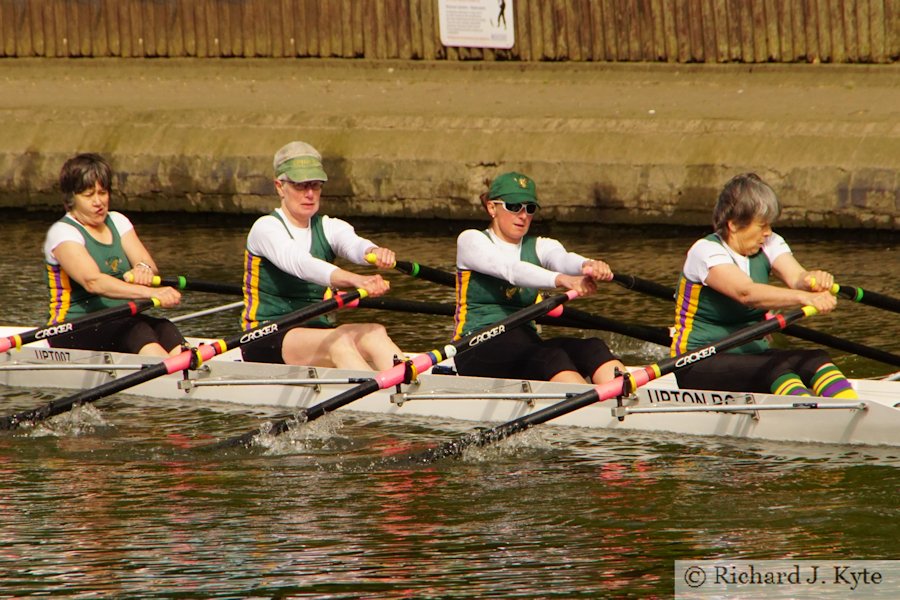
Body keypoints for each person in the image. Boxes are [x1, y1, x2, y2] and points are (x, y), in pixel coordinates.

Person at [670, 172, 857, 399]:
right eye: (762, 225)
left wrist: (812, 280)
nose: (767, 232)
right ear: (734, 225)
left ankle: (852, 408)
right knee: (775, 369)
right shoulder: (705, 251)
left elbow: (797, 277)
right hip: (698, 362)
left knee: (816, 359)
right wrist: (803, 298)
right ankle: (808, 415)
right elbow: (746, 292)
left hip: (752, 356)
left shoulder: (768, 243)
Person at [240, 141, 403, 370]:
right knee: (340, 342)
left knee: (375, 332)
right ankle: (379, 401)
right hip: (266, 335)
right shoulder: (265, 228)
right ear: (279, 186)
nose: (309, 194)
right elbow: (301, 264)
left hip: (316, 333)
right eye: (300, 186)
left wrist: (373, 252)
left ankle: (415, 389)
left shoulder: (329, 226)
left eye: (315, 186)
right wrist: (357, 280)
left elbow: (353, 244)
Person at [453, 171, 625, 384]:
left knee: (593, 347)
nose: (523, 215)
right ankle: (593, 412)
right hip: (476, 347)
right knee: (551, 358)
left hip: (524, 343)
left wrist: (587, 265)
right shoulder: (471, 240)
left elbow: (563, 259)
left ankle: (627, 401)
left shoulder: (541, 245)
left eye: (530, 208)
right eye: (514, 207)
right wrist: (563, 280)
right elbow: (512, 270)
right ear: (491, 208)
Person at [44, 153, 184, 356]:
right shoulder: (63, 232)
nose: (98, 202)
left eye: (102, 192)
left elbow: (148, 264)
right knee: (136, 331)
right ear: (71, 199)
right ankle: (172, 380)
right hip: (71, 328)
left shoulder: (118, 221)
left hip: (119, 320)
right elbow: (94, 282)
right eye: (88, 195)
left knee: (165, 327)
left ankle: (190, 374)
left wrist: (142, 269)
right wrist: (152, 293)